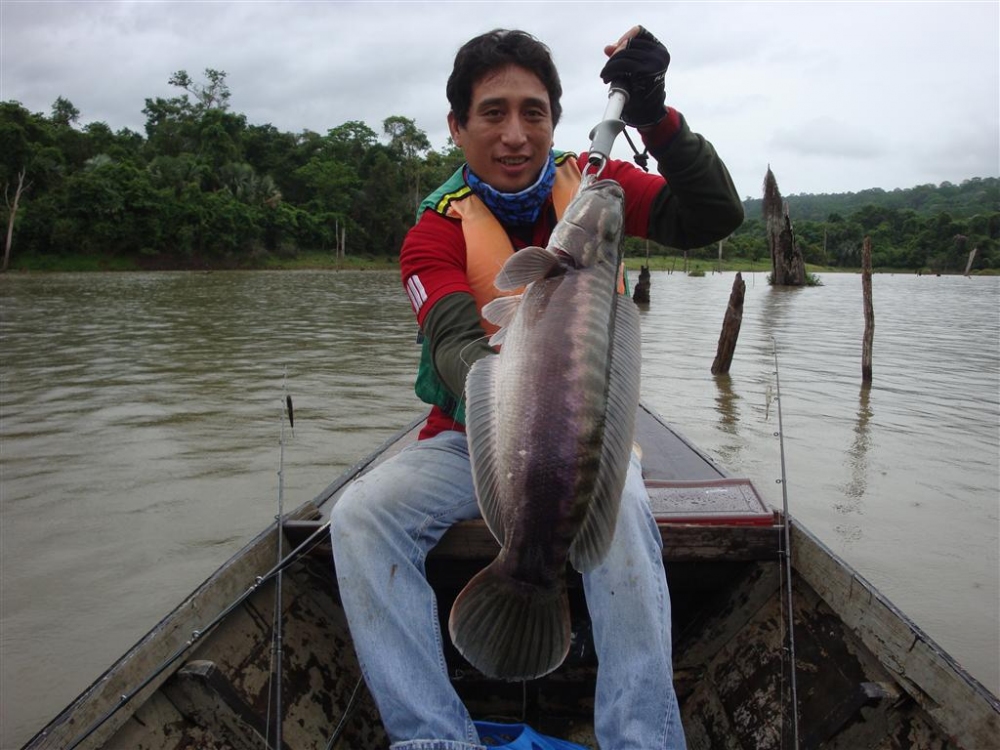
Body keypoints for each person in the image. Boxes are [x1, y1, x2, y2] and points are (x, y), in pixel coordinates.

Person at [330, 26, 743, 750]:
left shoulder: (595, 186)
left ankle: (643, 740)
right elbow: (457, 346)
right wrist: (517, 381)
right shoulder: (433, 232)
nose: (516, 134)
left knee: (621, 520)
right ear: (458, 126)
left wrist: (656, 118)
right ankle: (433, 738)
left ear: (555, 119)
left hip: (582, 441)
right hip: (467, 441)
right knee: (360, 515)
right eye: (493, 113)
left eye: (534, 112)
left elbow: (713, 214)